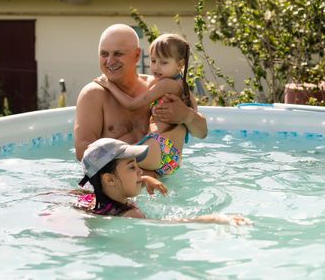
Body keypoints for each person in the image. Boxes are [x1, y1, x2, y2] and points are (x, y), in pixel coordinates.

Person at [74, 24, 207, 162]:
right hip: (121, 181)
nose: (110, 61)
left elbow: (202, 133)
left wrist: (187, 116)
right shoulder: (93, 94)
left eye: (118, 54)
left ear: (137, 55)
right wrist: (134, 173)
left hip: (162, 175)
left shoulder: (157, 86)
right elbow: (83, 152)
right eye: (104, 54)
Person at [75, 138, 250, 225]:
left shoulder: (91, 200)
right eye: (131, 167)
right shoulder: (130, 214)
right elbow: (168, 225)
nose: (140, 171)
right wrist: (213, 219)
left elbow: (117, 186)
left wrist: (144, 179)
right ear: (109, 179)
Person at [94, 33, 191, 177]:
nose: (156, 67)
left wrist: (109, 85)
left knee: (104, 158)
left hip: (157, 146)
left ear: (180, 64)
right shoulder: (182, 85)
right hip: (172, 155)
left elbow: (132, 104)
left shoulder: (166, 84)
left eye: (164, 63)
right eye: (153, 61)